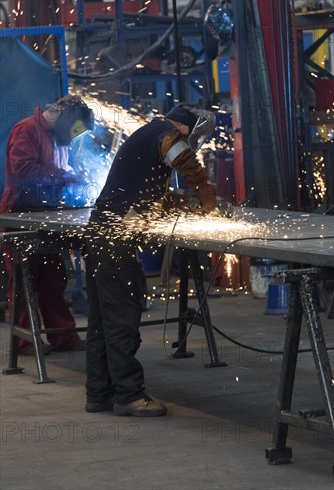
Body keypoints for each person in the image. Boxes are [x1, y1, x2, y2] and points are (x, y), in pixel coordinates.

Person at [84, 103, 217, 417]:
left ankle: (99, 393)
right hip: (114, 240)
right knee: (122, 318)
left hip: (100, 234)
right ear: (190, 128)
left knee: (102, 321)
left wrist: (182, 203)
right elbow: (180, 154)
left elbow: (147, 194)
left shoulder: (148, 136)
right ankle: (129, 396)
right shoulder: (164, 133)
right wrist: (202, 186)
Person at [0, 94, 94, 354]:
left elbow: (61, 173)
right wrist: (64, 176)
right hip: (19, 215)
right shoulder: (26, 129)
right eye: (74, 131)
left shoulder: (59, 136)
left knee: (54, 278)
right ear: (65, 119)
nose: (73, 138)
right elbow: (23, 170)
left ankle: (63, 337)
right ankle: (25, 342)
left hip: (47, 216)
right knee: (23, 280)